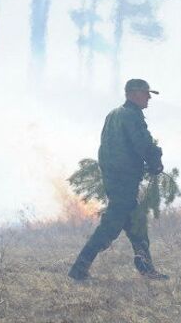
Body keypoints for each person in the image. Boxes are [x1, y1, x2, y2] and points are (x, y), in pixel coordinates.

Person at [68, 78, 169, 281]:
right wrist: (154, 159)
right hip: (124, 180)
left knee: (136, 224)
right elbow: (142, 143)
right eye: (146, 93)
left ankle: (147, 269)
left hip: (116, 178)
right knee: (110, 226)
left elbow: (108, 148)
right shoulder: (132, 115)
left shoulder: (114, 114)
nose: (149, 97)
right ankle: (79, 270)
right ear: (133, 93)